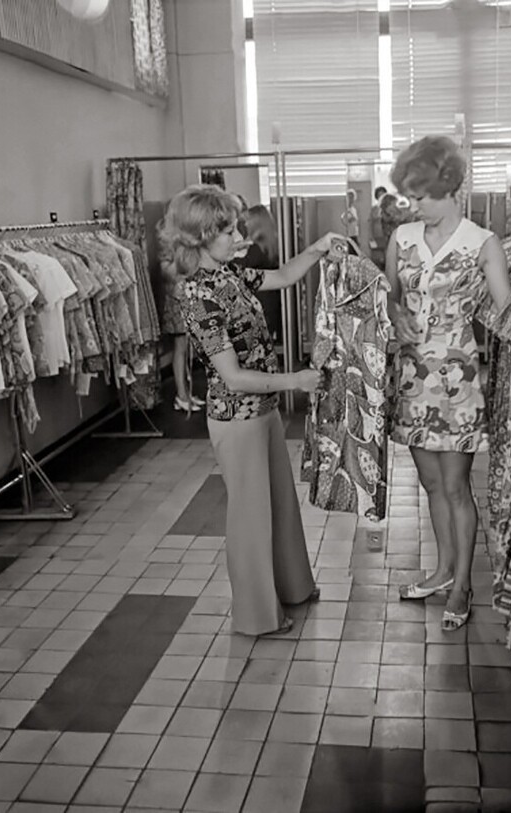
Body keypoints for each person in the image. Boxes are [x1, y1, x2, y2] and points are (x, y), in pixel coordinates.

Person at [160, 184, 342, 636]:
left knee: (280, 505)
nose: (236, 236)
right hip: (236, 419)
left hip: (263, 411)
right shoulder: (197, 296)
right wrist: (295, 382)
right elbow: (233, 377)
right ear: (201, 237)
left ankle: (294, 588)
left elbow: (280, 277)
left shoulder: (229, 276)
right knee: (249, 517)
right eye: (227, 229)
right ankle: (257, 615)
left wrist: (318, 249)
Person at [386, 136, 511, 631]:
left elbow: (507, 308)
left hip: (458, 381)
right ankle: (441, 571)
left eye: (420, 195)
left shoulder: (482, 242)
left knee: (457, 488)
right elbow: (390, 299)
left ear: (448, 187)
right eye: (409, 196)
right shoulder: (403, 238)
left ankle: (462, 583)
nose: (412, 205)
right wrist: (397, 319)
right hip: (413, 378)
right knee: (430, 483)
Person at [158, 226, 204, 413]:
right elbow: (170, 275)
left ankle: (186, 391)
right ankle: (181, 395)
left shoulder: (182, 247)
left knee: (185, 350)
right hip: (177, 303)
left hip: (185, 300)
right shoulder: (168, 251)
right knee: (180, 349)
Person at [240, 205, 282, 344]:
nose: (245, 224)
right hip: (271, 298)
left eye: (248, 220)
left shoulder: (257, 248)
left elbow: (241, 265)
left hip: (260, 299)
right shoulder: (272, 243)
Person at [369, 185, 388, 267]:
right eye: (379, 195)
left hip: (388, 233)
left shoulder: (389, 207)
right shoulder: (374, 208)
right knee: (378, 253)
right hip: (377, 233)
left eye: (383, 194)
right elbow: (372, 222)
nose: (381, 197)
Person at [341, 188, 360, 254]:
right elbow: (345, 220)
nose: (351, 199)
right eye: (349, 197)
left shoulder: (353, 209)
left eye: (352, 197)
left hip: (354, 234)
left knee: (355, 253)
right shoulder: (344, 209)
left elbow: (355, 222)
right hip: (347, 235)